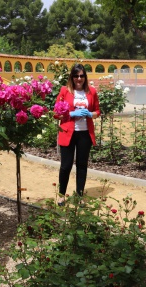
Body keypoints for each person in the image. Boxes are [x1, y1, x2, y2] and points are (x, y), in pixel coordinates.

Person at [53, 64, 100, 205]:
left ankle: (80, 196)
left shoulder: (92, 91)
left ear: (85, 77)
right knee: (66, 166)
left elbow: (97, 111)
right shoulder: (64, 91)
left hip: (85, 134)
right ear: (72, 77)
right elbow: (56, 114)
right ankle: (61, 195)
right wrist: (71, 114)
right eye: (76, 76)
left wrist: (90, 114)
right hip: (68, 132)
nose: (79, 79)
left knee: (82, 165)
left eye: (81, 76)